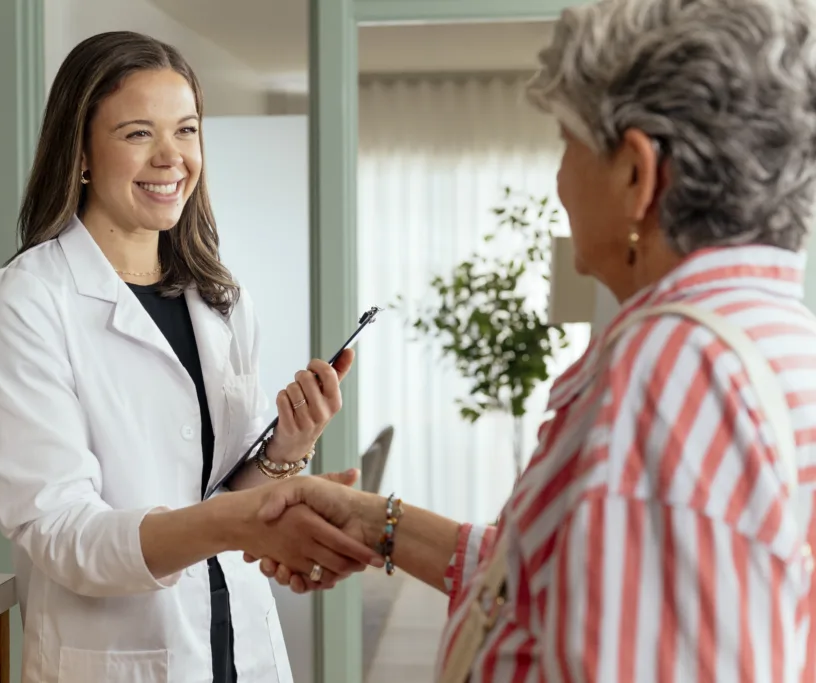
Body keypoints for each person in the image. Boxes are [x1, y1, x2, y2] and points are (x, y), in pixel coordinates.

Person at [246, 0, 816, 680]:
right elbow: (556, 580)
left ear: (636, 173)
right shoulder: (773, 337)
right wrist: (378, 522)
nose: (559, 180)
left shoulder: (670, 374)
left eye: (567, 144)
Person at [0, 31, 381, 683]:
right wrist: (232, 518)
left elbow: (224, 493)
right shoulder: (27, 301)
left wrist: (289, 448)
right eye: (138, 133)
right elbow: (62, 533)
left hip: (238, 648)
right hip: (117, 657)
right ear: (79, 154)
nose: (172, 157)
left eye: (186, 130)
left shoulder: (219, 299)